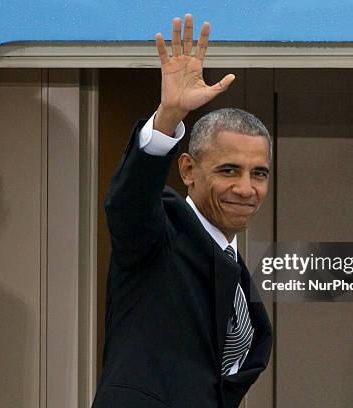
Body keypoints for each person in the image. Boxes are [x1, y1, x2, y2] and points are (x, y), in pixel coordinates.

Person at [92, 14, 273, 408]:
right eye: (229, 170)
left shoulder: (235, 269)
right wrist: (169, 116)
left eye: (258, 173)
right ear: (188, 169)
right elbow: (127, 204)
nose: (246, 188)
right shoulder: (160, 233)